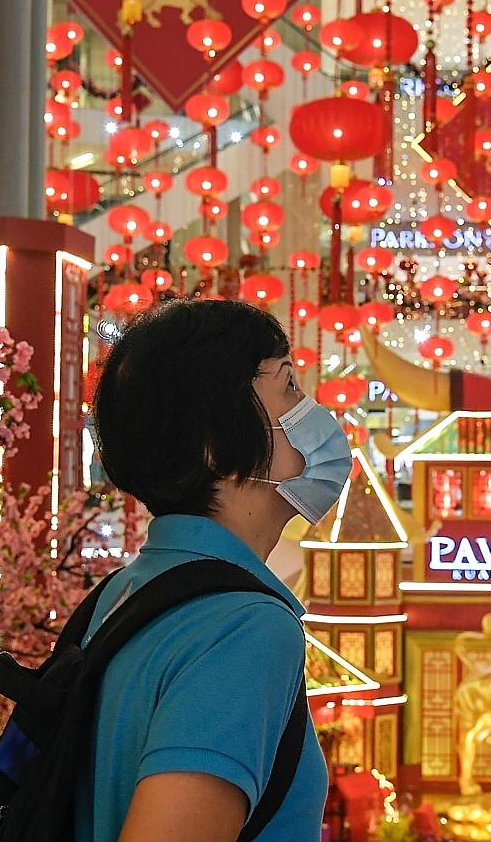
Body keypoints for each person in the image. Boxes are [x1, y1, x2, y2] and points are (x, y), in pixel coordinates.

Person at [79, 299, 351, 842]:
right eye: (289, 389)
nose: (318, 415)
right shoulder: (242, 627)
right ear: (215, 447)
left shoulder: (123, 593)